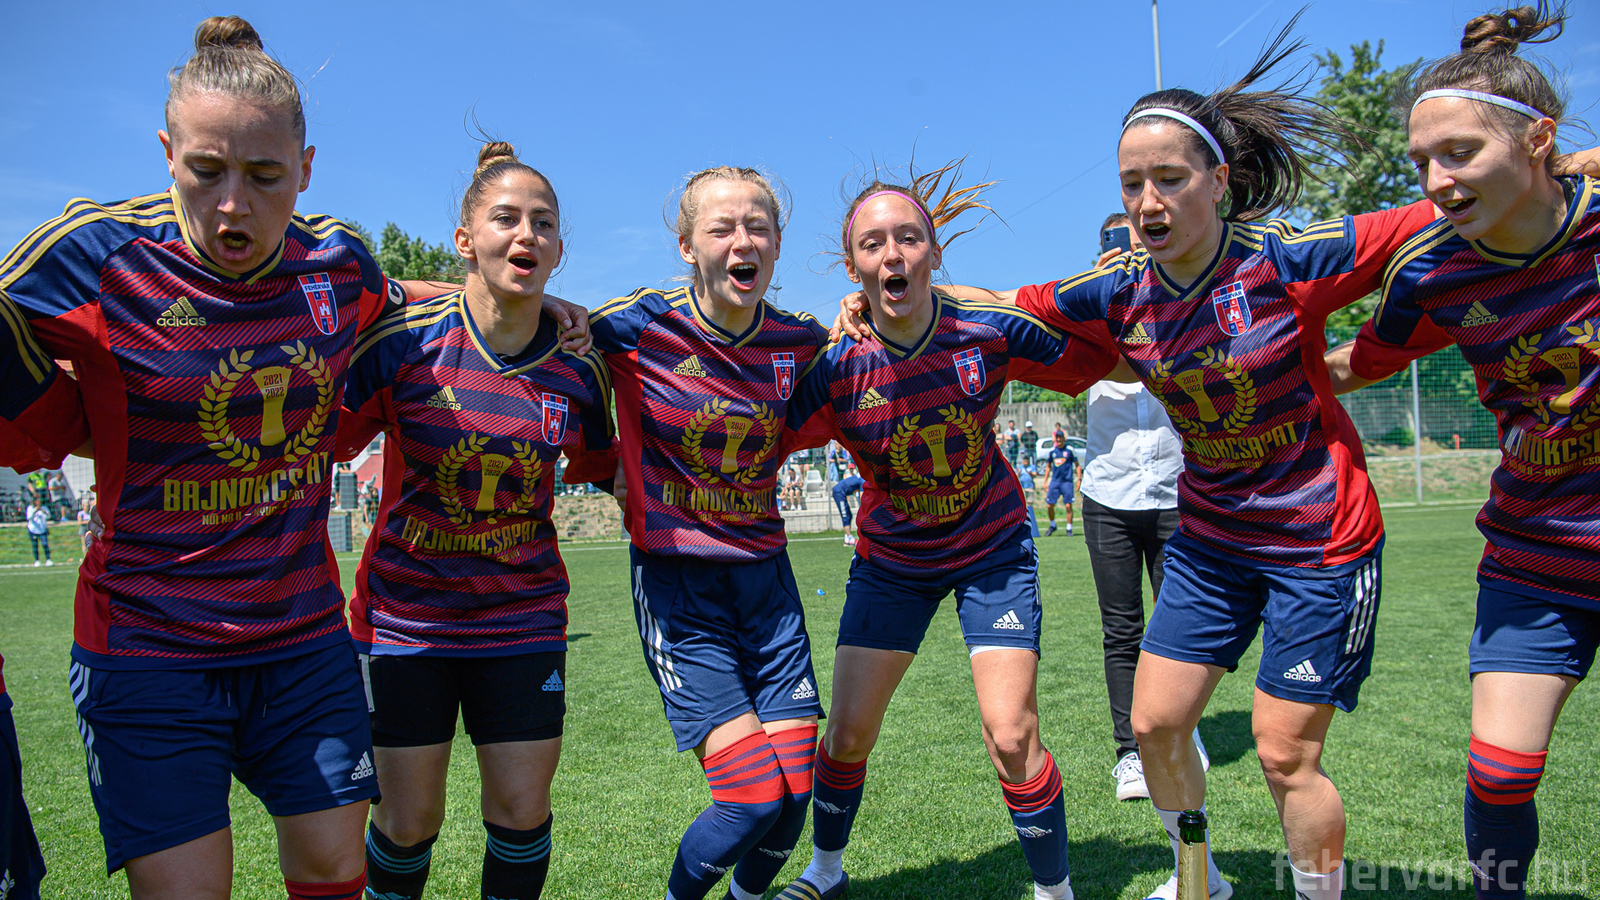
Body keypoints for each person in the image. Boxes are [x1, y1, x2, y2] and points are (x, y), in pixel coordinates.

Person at [0, 17, 587, 898]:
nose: (233, 204)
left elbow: (405, 298)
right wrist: (71, 425)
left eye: (265, 176)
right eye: (206, 171)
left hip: (301, 640)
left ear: (305, 170)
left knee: (336, 865)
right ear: (166, 154)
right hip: (150, 644)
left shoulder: (337, 264)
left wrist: (541, 306)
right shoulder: (92, 256)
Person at [916, 19, 1471, 900]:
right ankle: (1198, 878)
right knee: (1154, 725)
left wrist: (1566, 170)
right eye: (1132, 183)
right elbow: (1006, 301)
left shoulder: (1289, 263)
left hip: (1320, 544)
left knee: (1284, 754)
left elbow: (1447, 206)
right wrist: (895, 296)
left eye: (1169, 179)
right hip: (1213, 543)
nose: (1148, 202)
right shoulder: (1119, 290)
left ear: (1219, 181)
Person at [781, 166, 1116, 900]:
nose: (892, 254)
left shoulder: (985, 331)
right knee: (847, 734)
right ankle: (825, 872)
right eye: (873, 244)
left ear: (933, 252)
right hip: (894, 562)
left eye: (908, 238)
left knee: (1011, 734)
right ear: (853, 266)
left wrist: (974, 295)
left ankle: (1054, 892)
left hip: (992, 549)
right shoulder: (835, 366)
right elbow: (759, 439)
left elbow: (1095, 355)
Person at [1325, 7, 1599, 896]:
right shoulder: (1430, 271)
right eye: (1422, 162)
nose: (1436, 182)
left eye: (1460, 153)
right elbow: (1366, 361)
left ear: (1540, 140)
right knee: (1498, 774)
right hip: (1538, 550)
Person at [332, 142, 616, 900]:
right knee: (407, 822)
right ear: (465, 239)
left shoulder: (579, 364)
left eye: (544, 223)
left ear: (560, 249)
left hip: (521, 617)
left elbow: (603, 466)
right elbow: (321, 440)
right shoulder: (403, 342)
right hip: (406, 621)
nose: (527, 235)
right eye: (506, 219)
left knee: (521, 811)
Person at [588, 166, 828, 900]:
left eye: (758, 227)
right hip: (679, 588)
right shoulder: (635, 326)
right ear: (687, 245)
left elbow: (882, 348)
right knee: (751, 799)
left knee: (795, 793)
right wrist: (608, 466)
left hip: (768, 586)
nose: (742, 241)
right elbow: (527, 325)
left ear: (778, 245)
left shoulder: (801, 341)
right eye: (722, 228)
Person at [1083, 213, 1198, 802]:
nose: (1130, 254)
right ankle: (1129, 752)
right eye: (1118, 247)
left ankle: (1180, 729)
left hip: (1179, 488)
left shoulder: (1181, 300)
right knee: (1122, 628)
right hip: (1110, 492)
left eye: (1138, 245)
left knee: (1180, 625)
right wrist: (1107, 294)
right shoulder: (1086, 309)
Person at [1042, 433, 1078, 537]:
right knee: (1050, 505)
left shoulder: (1069, 450)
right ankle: (1052, 525)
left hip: (1067, 482)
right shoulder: (1052, 452)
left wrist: (1079, 479)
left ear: (1063, 439)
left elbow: (1077, 465)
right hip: (1055, 482)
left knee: (1068, 505)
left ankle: (1069, 528)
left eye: (1060, 437)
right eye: (1057, 438)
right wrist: (1045, 481)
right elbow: (1048, 466)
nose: (1058, 439)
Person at [831, 466, 863, 546]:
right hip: (839, 492)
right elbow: (862, 497)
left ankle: (847, 538)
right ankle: (850, 538)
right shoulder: (862, 480)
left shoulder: (859, 478)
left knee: (849, 515)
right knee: (845, 516)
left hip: (841, 492)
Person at [23, 499, 50, 567]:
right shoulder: (30, 508)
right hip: (33, 530)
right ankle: (37, 560)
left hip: (42, 530)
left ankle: (48, 560)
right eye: (37, 501)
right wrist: (35, 510)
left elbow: (48, 516)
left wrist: (43, 511)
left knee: (45, 544)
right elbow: (29, 517)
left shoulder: (44, 508)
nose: (39, 502)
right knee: (35, 546)